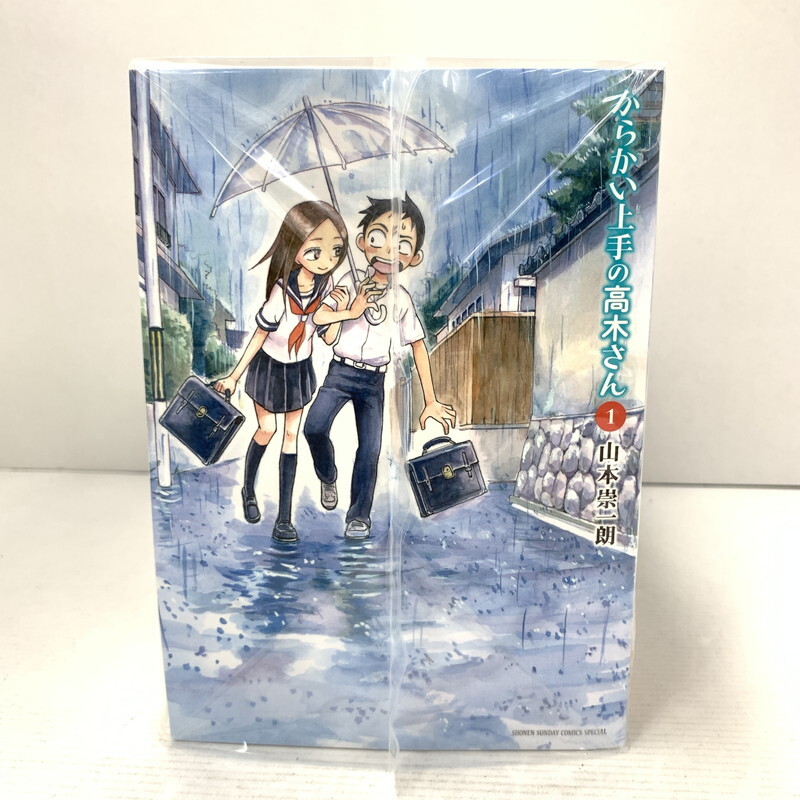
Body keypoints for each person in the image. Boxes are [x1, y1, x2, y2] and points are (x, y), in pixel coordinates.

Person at [304, 194, 456, 540]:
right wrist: (351, 309)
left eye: (401, 244)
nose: (388, 250)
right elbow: (321, 320)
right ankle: (328, 475)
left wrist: (430, 400)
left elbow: (418, 345)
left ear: (414, 258)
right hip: (340, 371)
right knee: (314, 427)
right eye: (378, 237)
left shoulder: (402, 299)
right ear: (362, 242)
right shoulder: (348, 281)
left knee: (370, 450)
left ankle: (359, 515)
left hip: (373, 380)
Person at [215, 201, 349, 543]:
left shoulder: (327, 288)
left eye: (335, 250)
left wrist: (341, 311)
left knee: (291, 437)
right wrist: (233, 376)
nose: (327, 259)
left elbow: (328, 337)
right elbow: (260, 335)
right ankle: (248, 489)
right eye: (316, 250)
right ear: (296, 248)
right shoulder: (281, 290)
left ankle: (284, 519)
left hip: (299, 370)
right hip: (270, 368)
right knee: (267, 429)